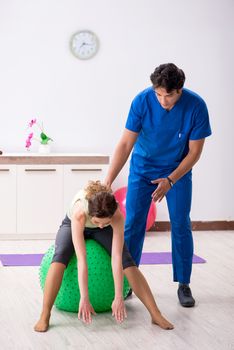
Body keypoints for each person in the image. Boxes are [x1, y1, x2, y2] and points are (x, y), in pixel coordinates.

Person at [104, 63, 212, 307]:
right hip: (142, 170)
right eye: (158, 94)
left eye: (169, 95)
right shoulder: (142, 101)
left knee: (181, 223)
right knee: (132, 223)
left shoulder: (196, 106)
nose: (163, 100)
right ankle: (128, 281)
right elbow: (125, 144)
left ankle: (184, 283)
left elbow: (194, 153)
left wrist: (171, 179)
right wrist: (108, 179)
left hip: (178, 172)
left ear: (180, 90)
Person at [34, 180, 174, 332]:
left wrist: (119, 295)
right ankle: (44, 314)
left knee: (127, 261)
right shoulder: (80, 213)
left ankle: (155, 313)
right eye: (97, 222)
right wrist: (84, 297)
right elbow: (82, 260)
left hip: (103, 224)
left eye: (105, 222)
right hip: (73, 224)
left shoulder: (115, 215)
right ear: (92, 215)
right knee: (60, 257)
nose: (100, 225)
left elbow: (116, 258)